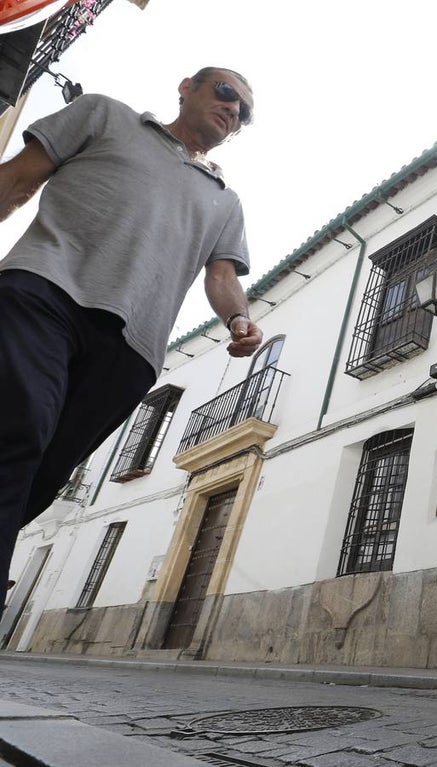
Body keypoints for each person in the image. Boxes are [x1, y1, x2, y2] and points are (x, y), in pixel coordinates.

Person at [0, 67, 263, 609]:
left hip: (133, 348)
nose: (233, 109)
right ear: (186, 87)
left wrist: (239, 319)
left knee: (41, 477)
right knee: (19, 428)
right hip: (45, 291)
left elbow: (222, 277)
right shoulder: (104, 115)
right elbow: (18, 179)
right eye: (226, 92)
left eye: (243, 111)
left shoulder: (226, 201)